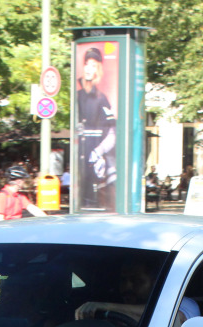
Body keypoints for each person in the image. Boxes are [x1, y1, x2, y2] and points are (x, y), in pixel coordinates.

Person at [74, 262, 199, 324]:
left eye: (136, 281)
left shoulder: (182, 302)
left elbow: (176, 318)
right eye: (123, 280)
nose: (127, 286)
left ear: (154, 283)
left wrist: (107, 307)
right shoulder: (114, 299)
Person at [75, 46, 116, 211]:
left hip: (95, 161)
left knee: (95, 201)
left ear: (98, 69)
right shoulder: (77, 95)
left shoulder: (101, 98)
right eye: (87, 64)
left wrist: (98, 152)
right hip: (81, 159)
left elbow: (112, 131)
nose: (89, 69)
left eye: (94, 65)